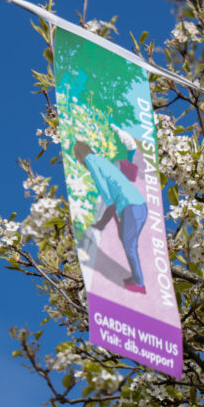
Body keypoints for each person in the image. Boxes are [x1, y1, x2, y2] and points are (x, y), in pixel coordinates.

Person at [73, 125, 148, 294]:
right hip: (138, 205)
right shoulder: (102, 160)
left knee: (129, 245)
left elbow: (101, 183)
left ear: (79, 156)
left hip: (131, 206)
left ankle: (139, 283)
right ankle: (137, 278)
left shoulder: (90, 160)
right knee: (127, 241)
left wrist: (108, 201)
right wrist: (102, 223)